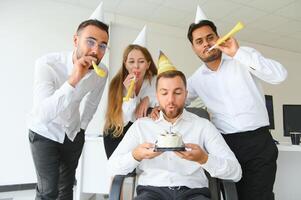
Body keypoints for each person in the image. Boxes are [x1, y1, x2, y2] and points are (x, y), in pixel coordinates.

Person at [108, 52, 241, 200]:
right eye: (164, 93)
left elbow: (235, 172)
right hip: (151, 193)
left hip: (193, 193)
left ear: (186, 94)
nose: (171, 100)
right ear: (157, 96)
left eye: (177, 92)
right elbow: (111, 167)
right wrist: (136, 155)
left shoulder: (203, 126)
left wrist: (204, 159)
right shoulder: (141, 126)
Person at [185, 7, 287, 200]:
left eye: (210, 37)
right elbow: (175, 100)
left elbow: (280, 76)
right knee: (231, 197)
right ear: (194, 48)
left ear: (218, 37)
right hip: (226, 146)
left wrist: (238, 53)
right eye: (199, 41)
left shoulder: (242, 56)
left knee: (260, 196)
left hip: (259, 143)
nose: (206, 44)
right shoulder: (196, 80)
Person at [27, 18, 109, 199]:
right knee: (48, 190)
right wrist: (73, 79)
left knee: (66, 187)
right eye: (90, 41)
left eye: (103, 45)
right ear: (75, 41)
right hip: (44, 132)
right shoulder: (47, 64)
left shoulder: (101, 72)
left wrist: (82, 129)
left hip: (72, 133)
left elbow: (92, 103)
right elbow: (42, 114)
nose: (96, 50)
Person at [103, 42, 157, 159]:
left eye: (141, 61)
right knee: (119, 172)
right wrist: (130, 94)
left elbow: (166, 100)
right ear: (125, 64)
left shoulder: (156, 82)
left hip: (145, 133)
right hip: (119, 132)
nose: (136, 66)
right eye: (131, 62)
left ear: (148, 64)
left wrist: (148, 99)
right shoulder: (117, 85)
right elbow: (123, 120)